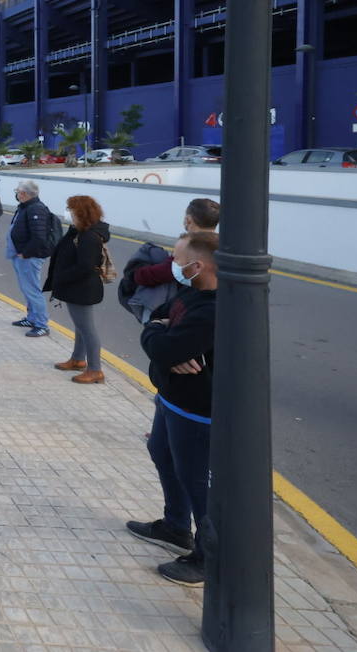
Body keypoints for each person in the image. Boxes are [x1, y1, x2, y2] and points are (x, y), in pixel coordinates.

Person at [128, 232, 219, 587]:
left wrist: (162, 344)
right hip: (171, 398)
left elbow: (163, 348)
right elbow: (159, 323)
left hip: (196, 409)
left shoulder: (213, 309)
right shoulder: (191, 292)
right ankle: (175, 526)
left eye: (177, 260)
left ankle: (207, 557)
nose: (172, 267)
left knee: (196, 479)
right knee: (162, 453)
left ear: (197, 266)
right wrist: (159, 336)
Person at [43, 195, 111, 383]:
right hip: (77, 287)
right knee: (80, 326)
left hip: (82, 289)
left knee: (87, 329)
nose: (68, 212)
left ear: (80, 212)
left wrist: (61, 278)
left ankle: (95, 370)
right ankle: (78, 359)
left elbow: (85, 266)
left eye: (71, 209)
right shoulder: (80, 231)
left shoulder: (88, 236)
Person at [120, 198, 220, 322]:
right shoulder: (219, 244)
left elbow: (165, 272)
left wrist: (138, 274)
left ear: (188, 219)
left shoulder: (190, 245)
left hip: (182, 307)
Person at [7, 179, 56, 338]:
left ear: (24, 194)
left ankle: (42, 324)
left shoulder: (36, 209)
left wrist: (25, 253)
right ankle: (31, 318)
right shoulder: (26, 207)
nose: (16, 194)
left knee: (32, 290)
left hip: (29, 257)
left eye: (18, 191)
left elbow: (39, 237)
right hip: (22, 255)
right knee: (27, 289)